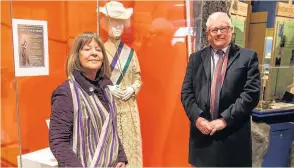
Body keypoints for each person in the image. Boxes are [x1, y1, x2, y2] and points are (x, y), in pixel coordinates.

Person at [181, 12, 261, 167]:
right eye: (214, 29)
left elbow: (251, 95)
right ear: (207, 34)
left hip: (233, 136)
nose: (219, 33)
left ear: (231, 30)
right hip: (202, 137)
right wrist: (197, 118)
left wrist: (224, 120)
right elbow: (186, 92)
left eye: (223, 28)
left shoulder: (248, 57)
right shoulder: (195, 59)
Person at [49, 32, 128, 167]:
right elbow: (58, 141)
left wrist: (120, 156)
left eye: (98, 50)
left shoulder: (106, 87)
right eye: (87, 49)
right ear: (76, 56)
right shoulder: (66, 93)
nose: (94, 53)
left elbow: (110, 127)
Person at [98, 1, 143, 167]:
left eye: (120, 23)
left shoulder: (131, 53)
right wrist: (108, 87)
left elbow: (138, 77)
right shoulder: (99, 50)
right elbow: (94, 79)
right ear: (105, 23)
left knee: (131, 150)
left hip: (129, 107)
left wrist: (132, 88)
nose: (117, 26)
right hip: (108, 106)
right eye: (113, 22)